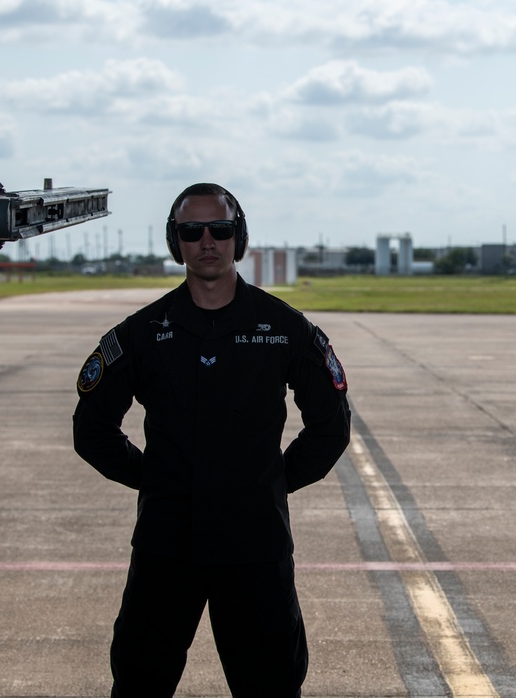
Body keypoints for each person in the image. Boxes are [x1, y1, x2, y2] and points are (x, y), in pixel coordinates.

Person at [72, 182, 351, 697]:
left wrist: (271, 484)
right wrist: (152, 479)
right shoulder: (141, 333)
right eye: (191, 230)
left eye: (220, 229)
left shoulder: (283, 328)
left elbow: (331, 425)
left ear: (237, 238)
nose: (207, 240)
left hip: (255, 546)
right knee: (139, 684)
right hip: (166, 546)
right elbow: (91, 431)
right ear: (174, 241)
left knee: (270, 687)